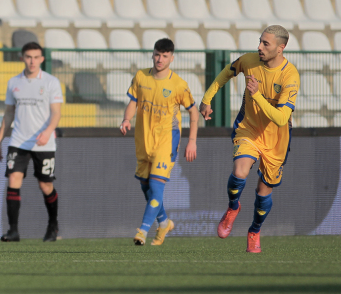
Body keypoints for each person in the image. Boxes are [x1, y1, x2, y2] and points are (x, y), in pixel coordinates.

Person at [200, 25, 300, 253]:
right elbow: (226, 73)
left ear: (281, 48)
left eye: (266, 44)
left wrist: (256, 95)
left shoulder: (290, 75)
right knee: (240, 172)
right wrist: (207, 100)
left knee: (264, 191)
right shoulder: (249, 61)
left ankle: (254, 230)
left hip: (277, 139)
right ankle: (232, 208)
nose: (260, 47)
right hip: (249, 130)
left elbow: (282, 118)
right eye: (260, 41)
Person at [120, 38, 198, 246]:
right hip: (143, 141)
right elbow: (132, 102)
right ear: (152, 54)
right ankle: (164, 222)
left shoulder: (178, 84)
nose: (160, 59)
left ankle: (143, 231)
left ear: (172, 58)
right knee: (146, 188)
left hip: (166, 141)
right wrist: (126, 119)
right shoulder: (141, 76)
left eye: (165, 56)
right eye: (157, 54)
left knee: (156, 188)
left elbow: (193, 112)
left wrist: (192, 141)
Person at [0, 42, 63, 242]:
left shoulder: (51, 82)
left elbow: (57, 112)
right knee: (13, 180)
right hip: (19, 141)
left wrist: (48, 132)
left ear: (42, 59)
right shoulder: (14, 82)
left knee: (45, 186)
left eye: (36, 57)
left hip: (44, 142)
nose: (32, 61)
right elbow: (8, 113)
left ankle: (53, 225)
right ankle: (13, 231)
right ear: (22, 58)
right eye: (28, 57)